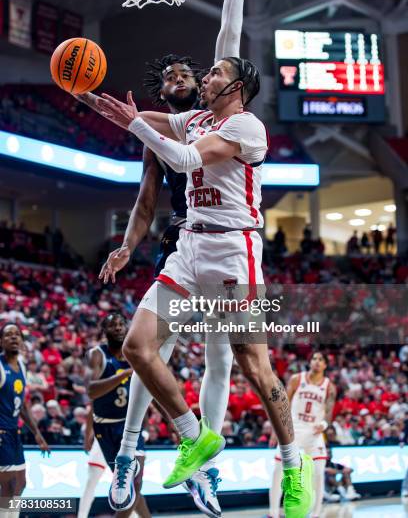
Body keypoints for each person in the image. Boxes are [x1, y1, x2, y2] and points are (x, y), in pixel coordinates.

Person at [85, 49, 314, 517]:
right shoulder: (194, 119)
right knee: (137, 346)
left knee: (254, 366)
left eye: (213, 74)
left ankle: (294, 467)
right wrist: (100, 104)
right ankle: (195, 434)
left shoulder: (247, 127)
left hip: (234, 253)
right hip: (189, 247)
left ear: (234, 88)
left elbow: (187, 159)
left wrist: (135, 124)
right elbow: (147, 119)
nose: (204, 78)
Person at [80, 0, 247, 517]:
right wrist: (127, 244)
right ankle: (129, 454)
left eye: (190, 71)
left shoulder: (221, 108)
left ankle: (204, 466)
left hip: (231, 241)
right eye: (173, 74)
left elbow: (230, 34)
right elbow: (148, 198)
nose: (186, 76)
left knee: (222, 355)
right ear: (163, 89)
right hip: (186, 242)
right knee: (156, 354)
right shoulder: (161, 128)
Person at [86, 313, 151, 518]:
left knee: (135, 481)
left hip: (130, 425)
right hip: (105, 427)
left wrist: (155, 423)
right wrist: (123, 374)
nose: (118, 328)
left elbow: (146, 392)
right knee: (126, 485)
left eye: (121, 324)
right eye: (112, 325)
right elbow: (92, 391)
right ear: (104, 331)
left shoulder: (135, 354)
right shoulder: (97, 354)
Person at [268, 352, 336, 518]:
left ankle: (316, 514)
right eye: (314, 358)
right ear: (310, 362)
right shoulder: (297, 379)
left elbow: (329, 411)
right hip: (293, 430)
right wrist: (275, 431)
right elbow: (283, 403)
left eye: (321, 360)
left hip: (314, 433)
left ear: (325, 365)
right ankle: (273, 513)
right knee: (279, 471)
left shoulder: (329, 386)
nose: (317, 362)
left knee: (318, 473)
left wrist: (324, 424)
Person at [0, 323, 49, 515]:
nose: (13, 337)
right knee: (8, 487)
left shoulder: (21, 365)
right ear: (1, 341)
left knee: (20, 484)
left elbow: (22, 405)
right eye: (8, 334)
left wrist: (37, 434)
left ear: (21, 340)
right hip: (2, 434)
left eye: (17, 334)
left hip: (14, 433)